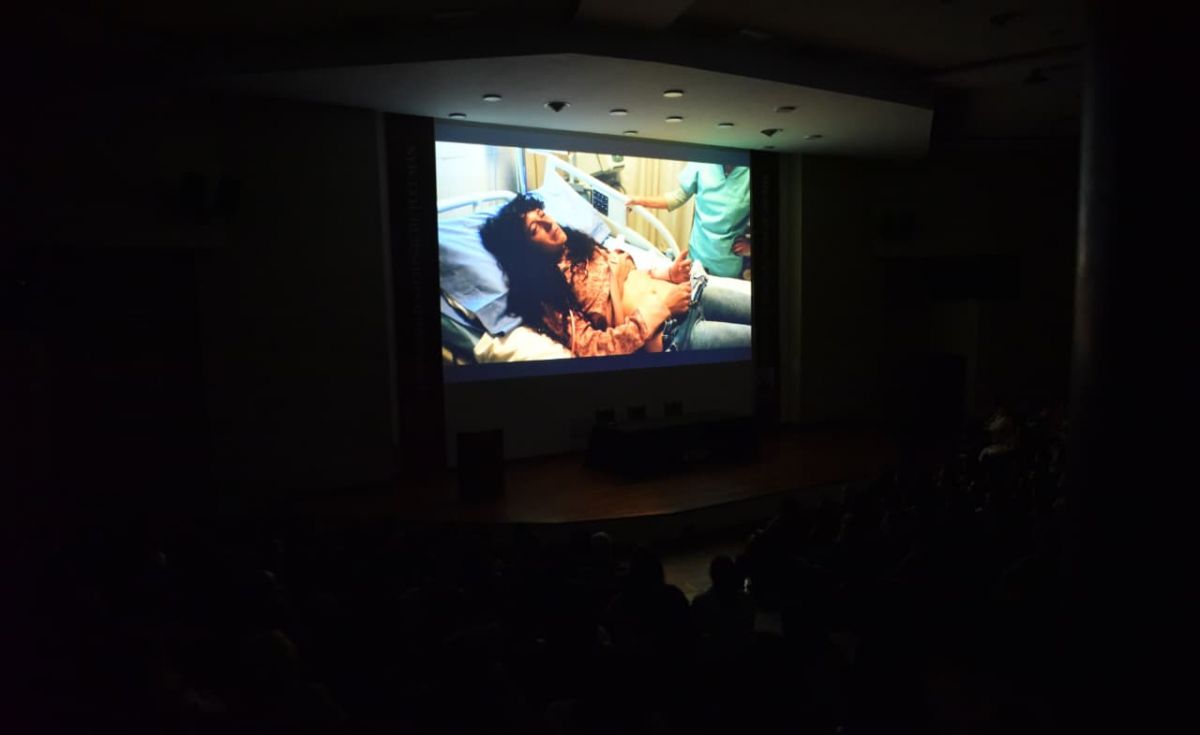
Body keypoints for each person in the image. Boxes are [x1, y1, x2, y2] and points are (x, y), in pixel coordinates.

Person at [480, 194, 750, 357]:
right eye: (534, 229)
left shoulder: (579, 247)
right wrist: (662, 308)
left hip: (690, 291)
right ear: (524, 250)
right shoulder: (549, 295)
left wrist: (667, 272)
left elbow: (628, 276)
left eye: (541, 214)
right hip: (677, 333)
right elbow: (594, 348)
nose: (549, 222)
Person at [626, 162, 751, 279]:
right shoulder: (704, 160)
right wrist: (638, 201)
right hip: (698, 256)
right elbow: (678, 197)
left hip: (728, 264)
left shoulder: (748, 172)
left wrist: (750, 246)